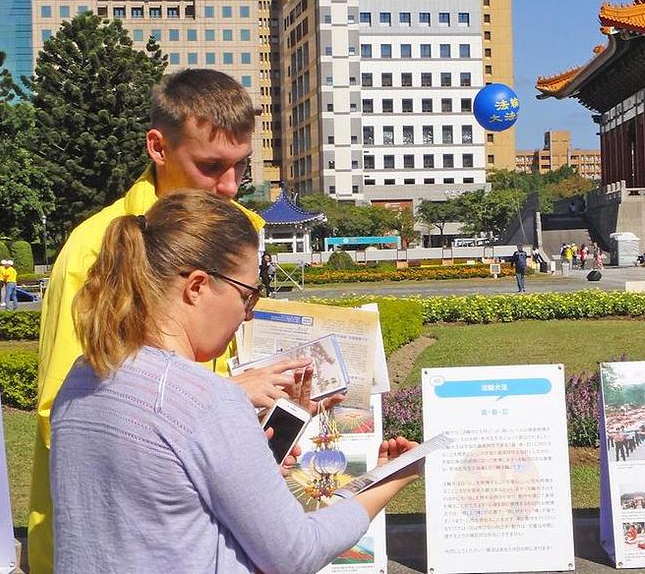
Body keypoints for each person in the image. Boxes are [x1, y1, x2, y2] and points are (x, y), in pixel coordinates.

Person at [50, 190, 420, 572]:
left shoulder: (82, 376)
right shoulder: (209, 401)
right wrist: (385, 480)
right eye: (248, 295)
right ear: (196, 287)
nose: (247, 316)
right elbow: (296, 552)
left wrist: (263, 443)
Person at [29, 70, 297, 573]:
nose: (229, 187)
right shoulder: (96, 249)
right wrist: (228, 399)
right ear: (157, 146)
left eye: (242, 167)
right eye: (210, 166)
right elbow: (68, 414)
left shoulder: (242, 231)